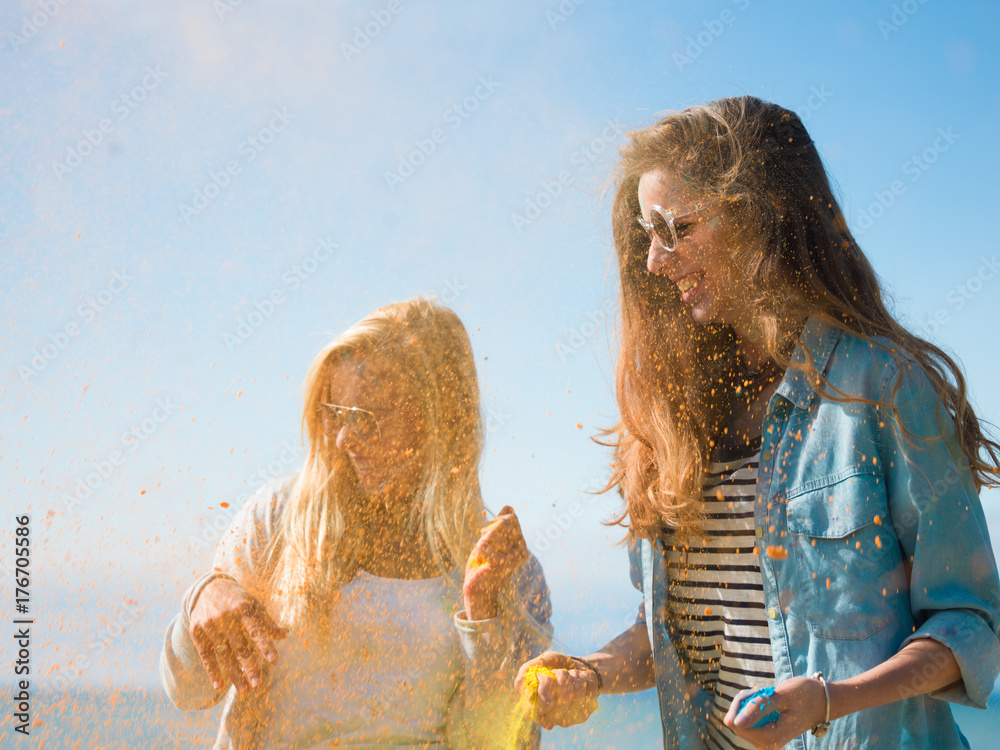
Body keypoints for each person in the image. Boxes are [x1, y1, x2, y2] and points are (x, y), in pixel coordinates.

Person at [515, 95, 1000, 749]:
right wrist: (591, 674)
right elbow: (671, 633)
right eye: (646, 236)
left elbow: (966, 622)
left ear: (764, 214)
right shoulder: (673, 415)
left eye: (677, 228)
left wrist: (831, 699)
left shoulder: (881, 387)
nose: (655, 260)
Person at [161, 298, 552, 749]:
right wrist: (202, 598)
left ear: (441, 420)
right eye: (335, 414)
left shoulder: (506, 570)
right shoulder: (279, 517)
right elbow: (189, 692)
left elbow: (496, 745)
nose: (344, 439)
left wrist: (482, 615)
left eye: (368, 418)